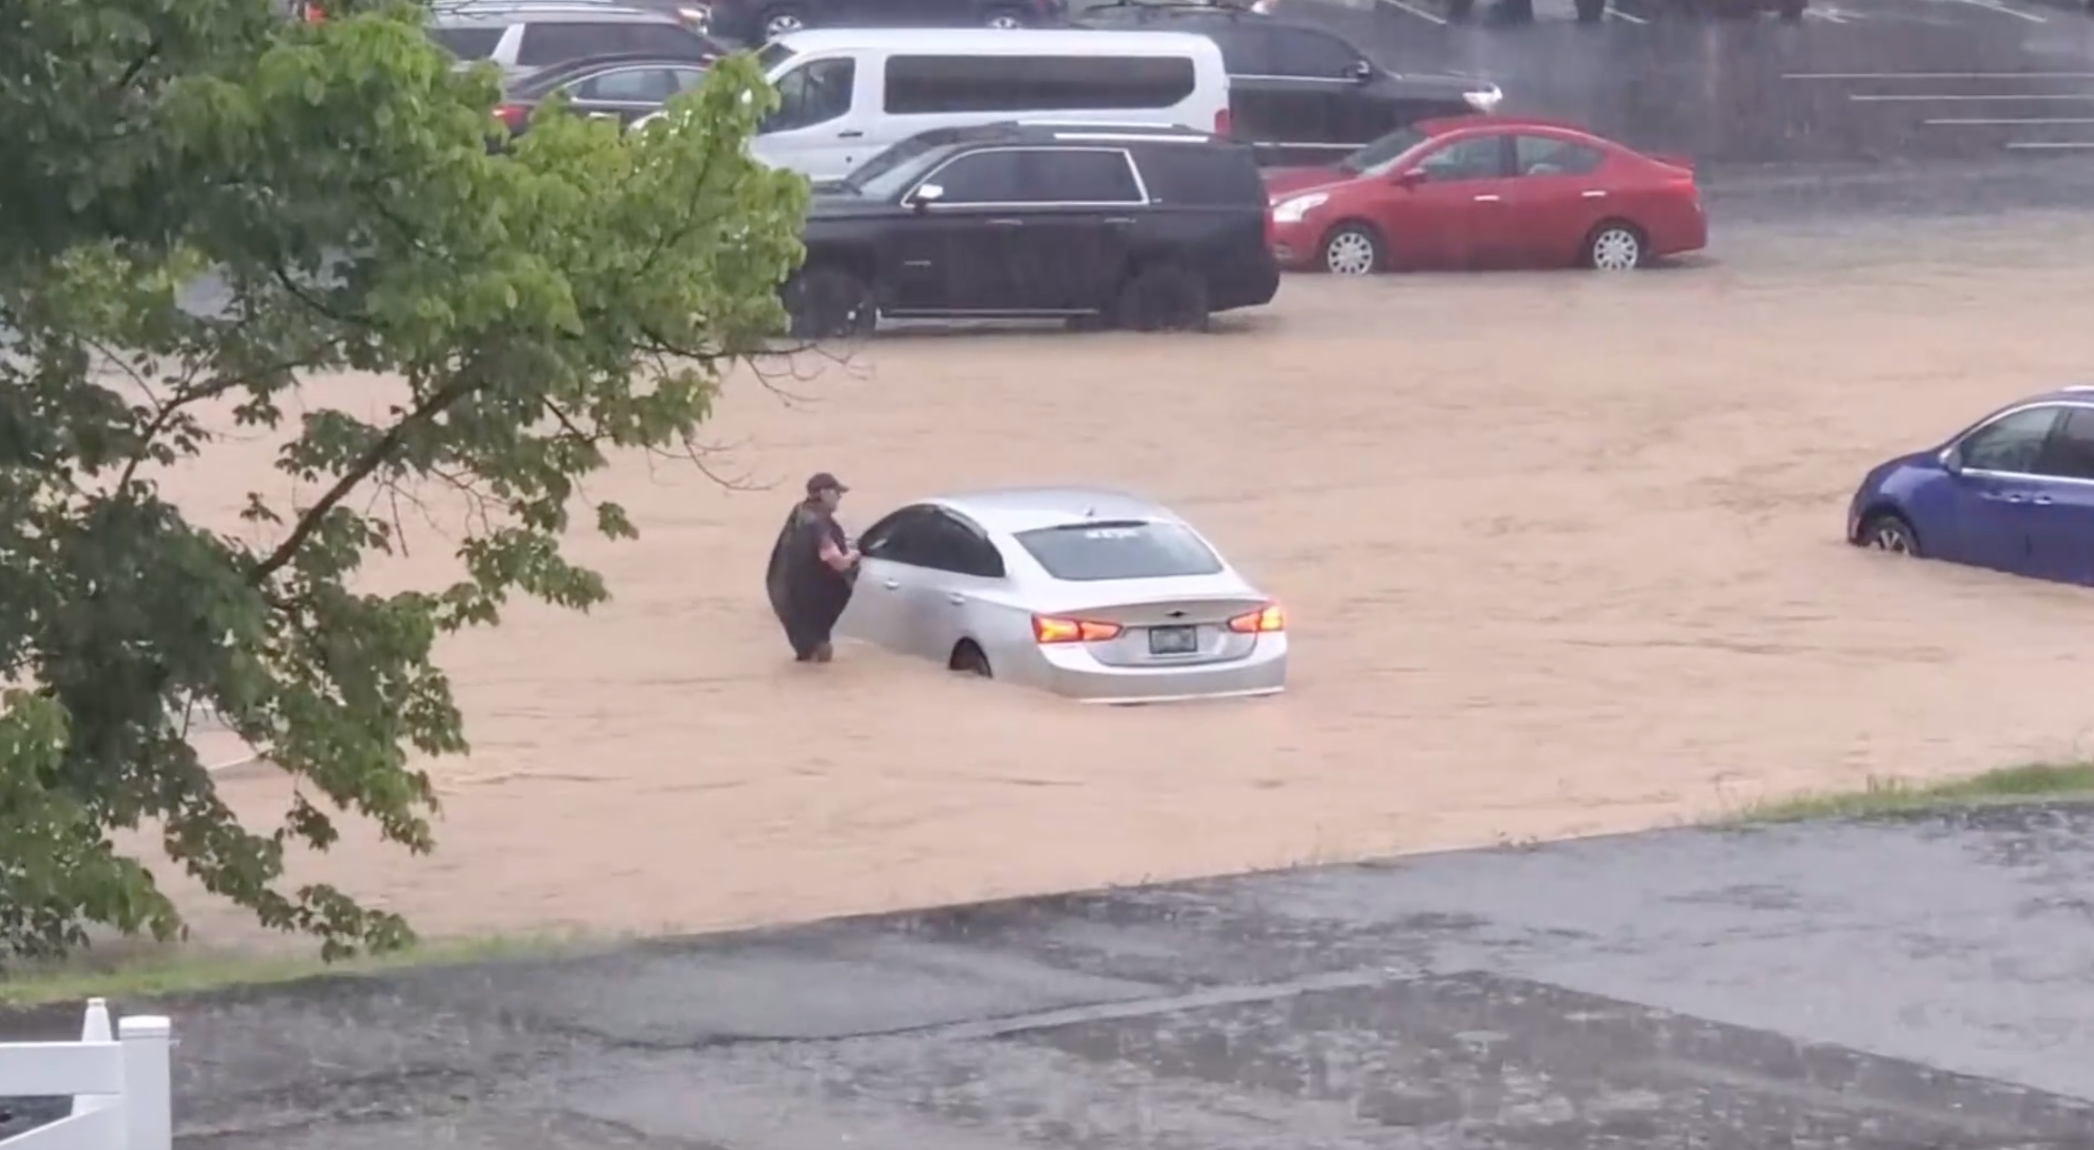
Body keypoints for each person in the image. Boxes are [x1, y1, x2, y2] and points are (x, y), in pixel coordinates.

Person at [765, 472, 860, 663]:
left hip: (789, 596)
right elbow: (836, 561)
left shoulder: (800, 512)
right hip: (811, 602)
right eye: (837, 492)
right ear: (824, 493)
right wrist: (855, 556)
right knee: (822, 653)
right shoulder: (819, 524)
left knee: (806, 653)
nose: (840, 497)